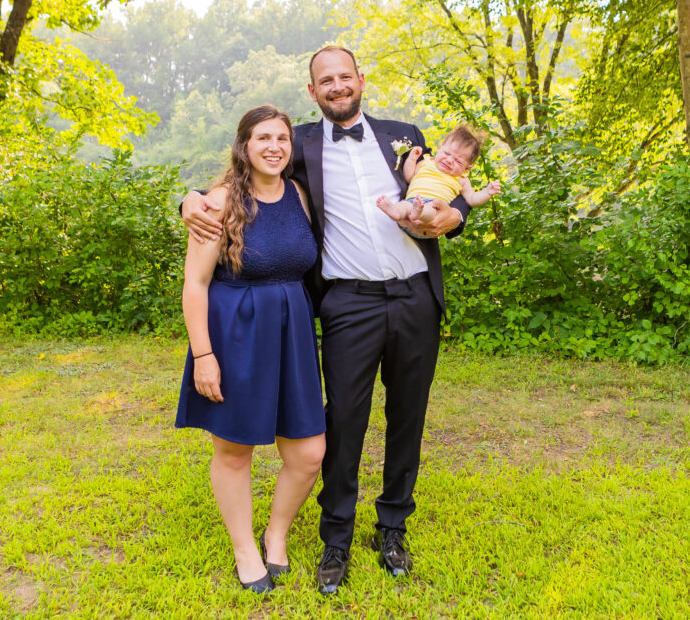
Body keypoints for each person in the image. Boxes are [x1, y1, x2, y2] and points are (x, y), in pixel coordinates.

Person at [182, 46, 470, 594]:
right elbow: (240, 177)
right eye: (324, 80)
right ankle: (335, 537)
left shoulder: (403, 134)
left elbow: (451, 182)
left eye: (345, 76)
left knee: (408, 418)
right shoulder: (301, 146)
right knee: (341, 424)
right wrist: (188, 198)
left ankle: (392, 528)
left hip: (415, 297)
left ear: (361, 81)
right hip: (347, 303)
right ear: (313, 93)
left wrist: (458, 216)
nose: (337, 86)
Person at [175, 104, 326, 594]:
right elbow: (195, 285)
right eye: (263, 138)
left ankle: (275, 532)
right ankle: (245, 548)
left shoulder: (300, 194)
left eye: (282, 138)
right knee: (235, 448)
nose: (274, 147)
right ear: (244, 145)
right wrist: (204, 355)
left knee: (308, 452)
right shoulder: (218, 202)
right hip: (236, 333)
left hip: (293, 334)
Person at [376, 125, 500, 232]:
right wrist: (412, 159)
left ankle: (419, 212)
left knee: (430, 211)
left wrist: (487, 192)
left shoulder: (461, 179)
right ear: (440, 147)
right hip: (413, 202)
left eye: (458, 161)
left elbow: (472, 199)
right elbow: (409, 178)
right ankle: (396, 212)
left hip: (434, 211)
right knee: (404, 205)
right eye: (446, 153)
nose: (449, 160)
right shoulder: (425, 163)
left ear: (467, 168)